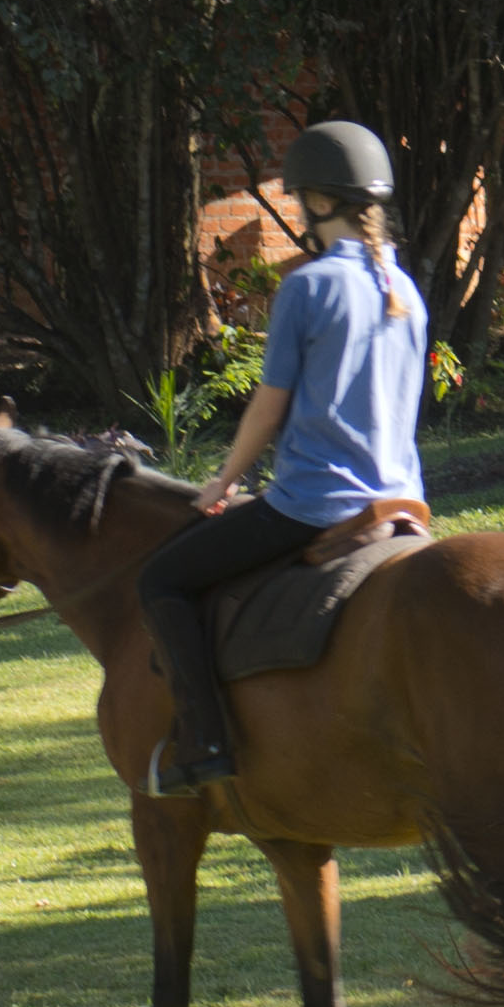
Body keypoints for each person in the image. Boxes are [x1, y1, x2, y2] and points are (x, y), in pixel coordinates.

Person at [137, 122, 429, 800]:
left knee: (162, 582)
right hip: (401, 501)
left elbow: (269, 407)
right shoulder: (406, 292)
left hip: (315, 502)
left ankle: (205, 742)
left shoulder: (309, 286)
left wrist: (224, 479)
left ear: (318, 201)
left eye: (300, 198)